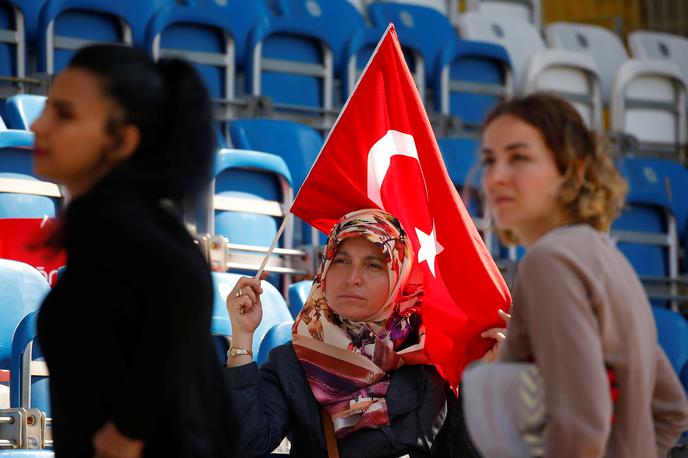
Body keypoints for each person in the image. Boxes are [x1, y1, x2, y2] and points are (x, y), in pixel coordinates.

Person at [32, 45, 235, 457]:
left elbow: (185, 285)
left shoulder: (119, 222)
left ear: (122, 140)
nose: (38, 126)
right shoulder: (121, 220)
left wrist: (126, 432)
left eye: (64, 114)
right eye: (47, 108)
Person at [474, 92, 688, 457]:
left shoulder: (550, 261)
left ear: (574, 169)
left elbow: (581, 428)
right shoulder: (608, 258)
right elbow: (672, 409)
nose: (496, 177)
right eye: (490, 160)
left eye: (519, 158)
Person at [225, 209, 458, 457]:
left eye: (374, 265)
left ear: (397, 278)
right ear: (325, 269)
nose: (353, 278)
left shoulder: (431, 359)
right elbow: (247, 443)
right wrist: (242, 336)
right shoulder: (294, 360)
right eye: (341, 261)